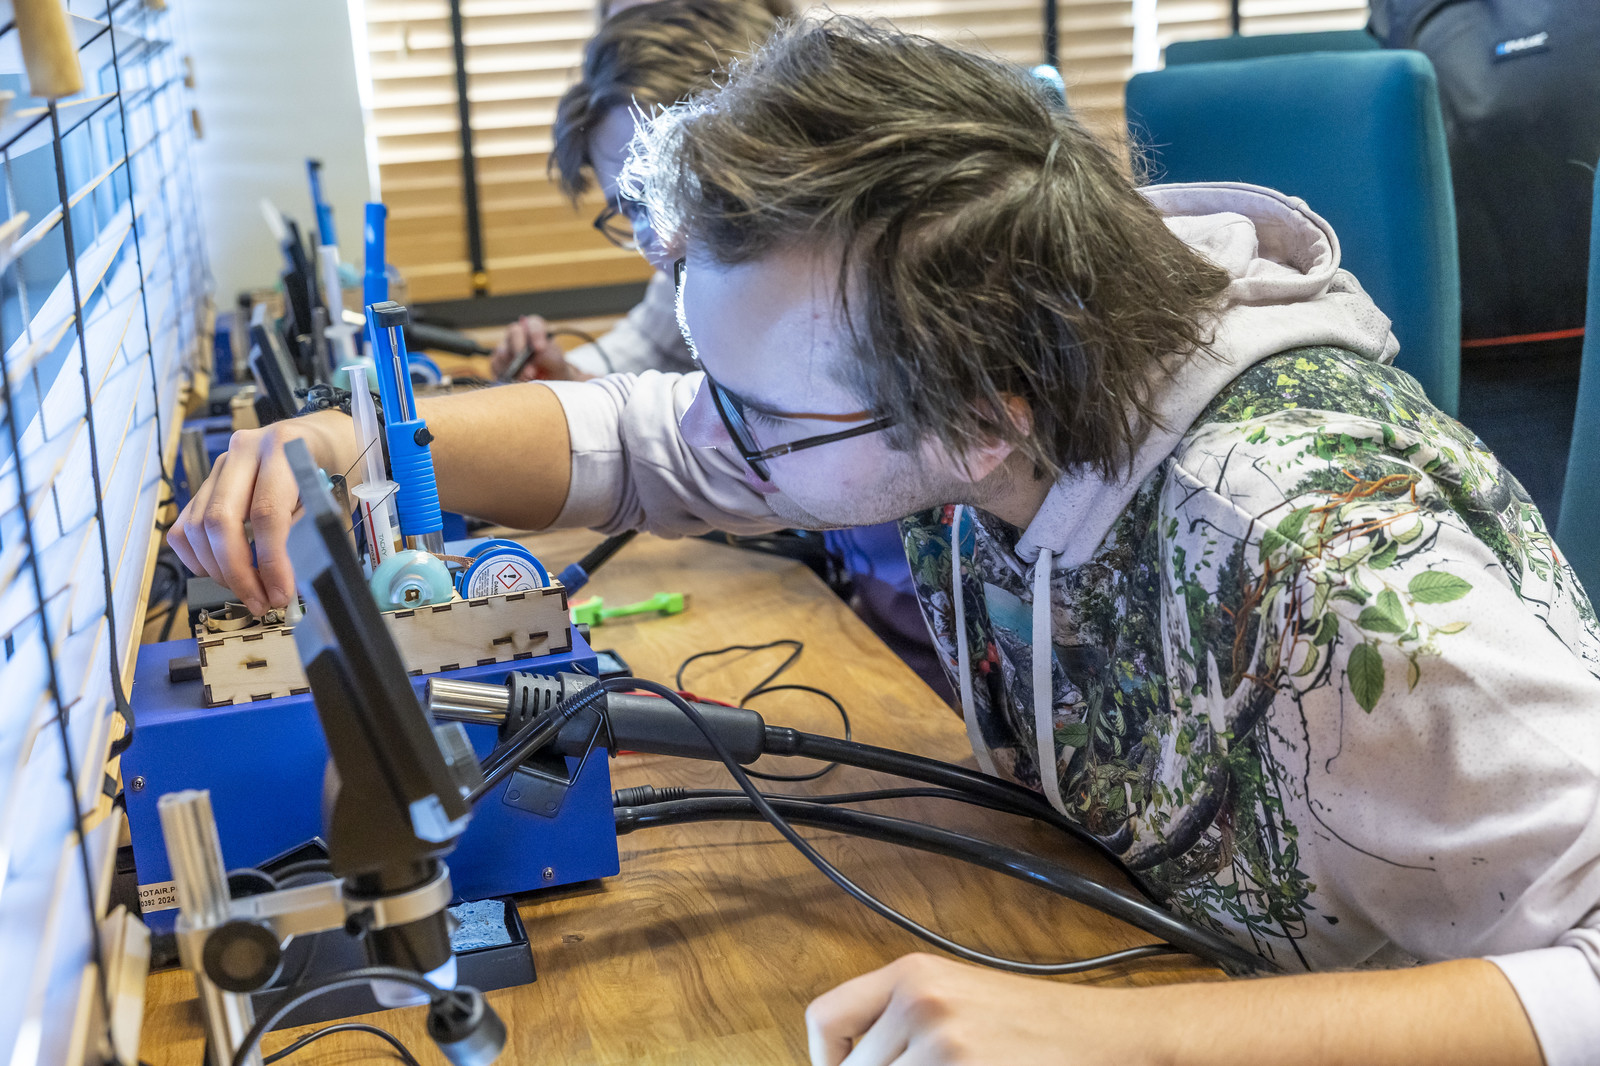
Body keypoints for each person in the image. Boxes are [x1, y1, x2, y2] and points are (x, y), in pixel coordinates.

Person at [171, 20, 1599, 1066]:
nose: (725, 434)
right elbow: (658, 438)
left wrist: (1124, 1038)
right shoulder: (985, 377)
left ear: (978, 421)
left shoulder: (1341, 570)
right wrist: (358, 441)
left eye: (761, 414)